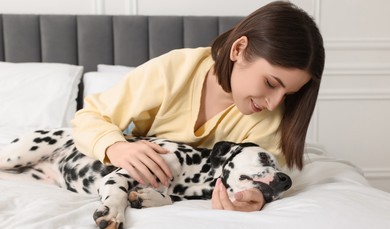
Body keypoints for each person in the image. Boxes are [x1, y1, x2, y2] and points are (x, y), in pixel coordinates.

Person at [71, 1, 325, 211]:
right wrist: (116, 147)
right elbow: (89, 116)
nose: (274, 103)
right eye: (270, 83)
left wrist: (257, 197)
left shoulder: (270, 117)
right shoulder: (173, 70)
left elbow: (265, 175)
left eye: (288, 94)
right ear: (239, 49)